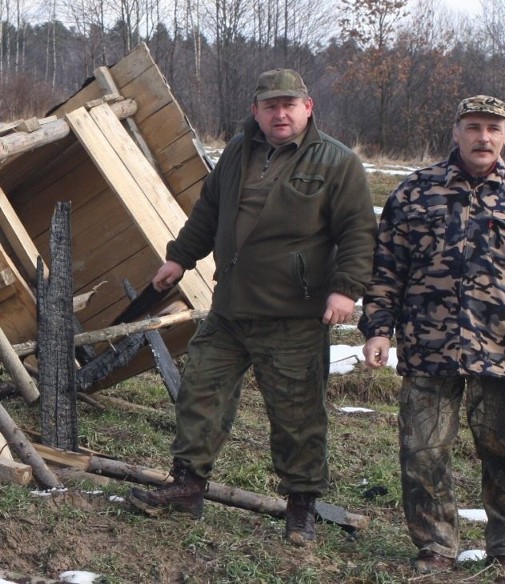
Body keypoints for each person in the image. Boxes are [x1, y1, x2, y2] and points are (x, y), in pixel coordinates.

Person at [128, 68, 377, 547]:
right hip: (230, 307)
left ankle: (300, 506)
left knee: (297, 415)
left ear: (308, 107)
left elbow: (358, 233)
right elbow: (209, 211)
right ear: (256, 111)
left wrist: (345, 289)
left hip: (293, 316)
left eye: (289, 104)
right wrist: (180, 257)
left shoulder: (337, 163)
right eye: (270, 105)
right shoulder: (238, 152)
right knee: (200, 392)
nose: (280, 114)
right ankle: (187, 485)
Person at [358, 95, 505, 582]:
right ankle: (436, 545)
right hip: (428, 347)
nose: (483, 137)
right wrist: (378, 328)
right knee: (423, 452)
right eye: (474, 127)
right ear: (456, 132)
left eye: (493, 128)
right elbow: (386, 271)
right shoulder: (414, 193)